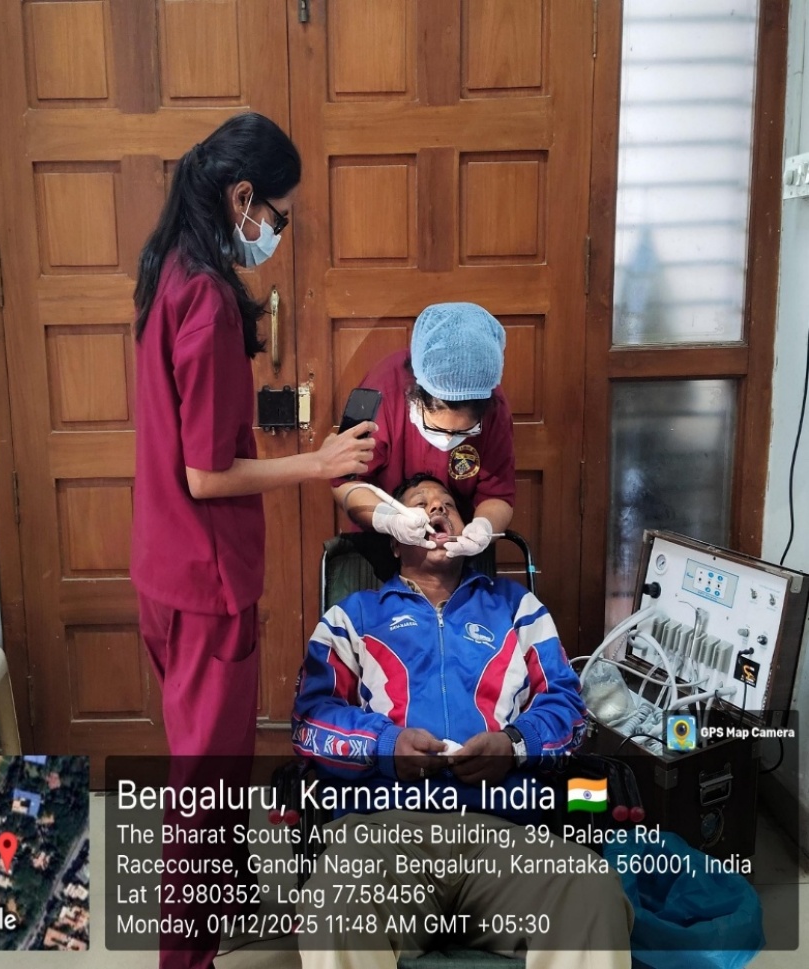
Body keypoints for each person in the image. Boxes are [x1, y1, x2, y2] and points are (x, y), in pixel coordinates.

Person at [292, 474, 633, 969]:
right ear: (395, 539)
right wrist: (384, 745)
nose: (437, 510)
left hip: (506, 833)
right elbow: (310, 722)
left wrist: (514, 745)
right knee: (334, 900)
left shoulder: (517, 608)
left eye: (448, 505)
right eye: (420, 504)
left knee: (590, 889)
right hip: (384, 836)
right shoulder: (354, 617)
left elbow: (569, 709)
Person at [131, 112, 376, 761]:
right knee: (208, 784)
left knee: (198, 761)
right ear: (243, 196)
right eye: (279, 218)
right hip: (203, 581)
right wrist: (317, 462)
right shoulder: (206, 301)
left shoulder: (168, 270)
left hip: (164, 564)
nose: (276, 234)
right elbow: (205, 475)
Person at [332, 303, 515, 559]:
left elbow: (498, 493)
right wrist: (389, 520)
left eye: (465, 432)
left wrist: (485, 528)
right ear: (416, 395)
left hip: (458, 552)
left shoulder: (491, 402)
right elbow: (344, 482)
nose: (448, 440)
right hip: (381, 543)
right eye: (437, 428)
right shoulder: (376, 392)